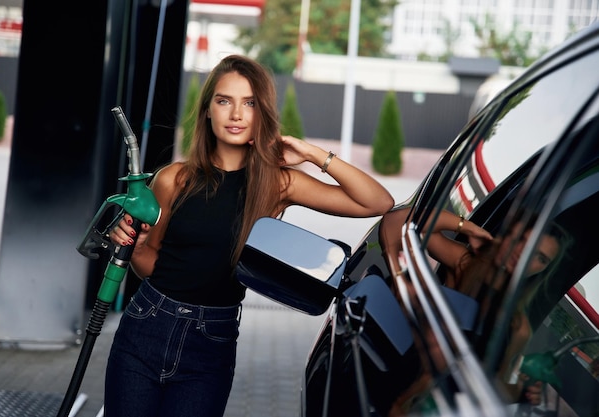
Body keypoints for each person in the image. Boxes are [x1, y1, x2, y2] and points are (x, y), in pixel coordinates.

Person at [104, 54, 395, 417]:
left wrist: (311, 153)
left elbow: (377, 201)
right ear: (208, 110)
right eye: (224, 101)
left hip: (211, 343)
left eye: (249, 103)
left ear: (262, 114)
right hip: (146, 325)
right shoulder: (173, 178)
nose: (236, 114)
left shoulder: (276, 183)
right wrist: (137, 248)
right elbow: (150, 265)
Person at [380, 208, 570, 413]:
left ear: (544, 270)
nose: (524, 255)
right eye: (524, 240)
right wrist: (467, 227)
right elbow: (397, 221)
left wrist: (525, 392)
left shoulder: (517, 327)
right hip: (384, 374)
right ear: (510, 234)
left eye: (540, 258)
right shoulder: (466, 264)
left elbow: (490, 387)